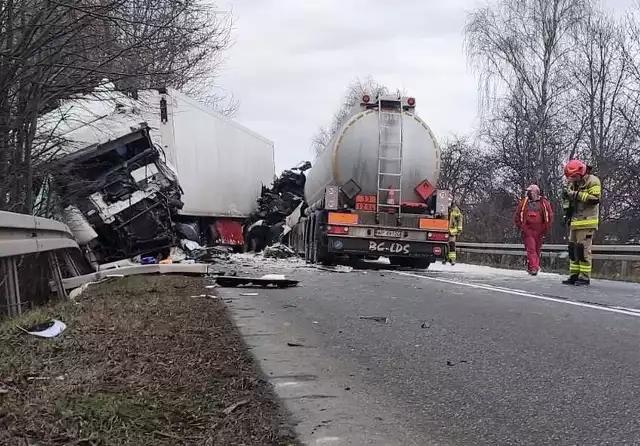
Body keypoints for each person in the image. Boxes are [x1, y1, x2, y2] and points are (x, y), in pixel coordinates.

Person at [561, 160, 601, 286]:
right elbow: (570, 201)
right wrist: (566, 207)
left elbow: (595, 199)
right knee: (573, 250)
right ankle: (574, 275)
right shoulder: (574, 183)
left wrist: (575, 194)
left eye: (573, 176)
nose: (571, 179)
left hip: (587, 221)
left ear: (580, 172)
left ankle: (584, 277)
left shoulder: (593, 181)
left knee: (583, 250)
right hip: (575, 222)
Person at [514, 184, 553, 275]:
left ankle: (533, 265)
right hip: (528, 229)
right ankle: (533, 268)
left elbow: (550, 215)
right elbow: (517, 215)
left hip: (540, 230)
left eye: (530, 191)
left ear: (535, 192)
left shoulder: (544, 203)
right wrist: (522, 227)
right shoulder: (524, 202)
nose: (528, 193)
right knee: (531, 249)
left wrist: (545, 227)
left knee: (537, 249)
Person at [443, 199, 463, 265]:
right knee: (444, 245)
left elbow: (460, 219)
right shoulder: (442, 207)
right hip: (443, 230)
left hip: (452, 231)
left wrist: (459, 229)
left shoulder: (455, 209)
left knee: (452, 244)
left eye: (449, 202)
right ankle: (445, 258)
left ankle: (452, 260)